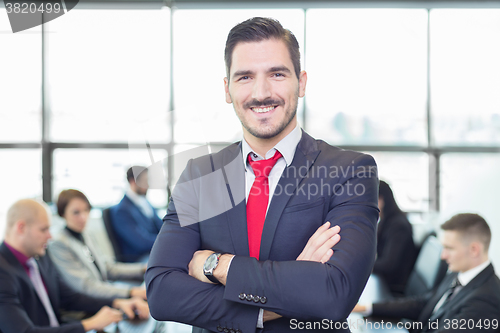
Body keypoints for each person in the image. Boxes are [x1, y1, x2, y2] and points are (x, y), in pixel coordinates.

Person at [145, 17, 379, 333]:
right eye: (244, 77)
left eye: (277, 74)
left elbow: (334, 295)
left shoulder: (349, 170)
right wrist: (291, 288)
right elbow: (162, 293)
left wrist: (215, 266)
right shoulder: (199, 174)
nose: (261, 92)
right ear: (227, 90)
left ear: (302, 82)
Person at [0, 199, 150, 333]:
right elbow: (24, 331)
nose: (50, 236)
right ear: (21, 228)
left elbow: (69, 297)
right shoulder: (3, 271)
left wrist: (118, 303)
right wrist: (89, 324)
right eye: (43, 229)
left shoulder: (39, 256)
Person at [353, 213, 500, 333]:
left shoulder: (485, 301)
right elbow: (424, 303)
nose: (443, 256)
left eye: (449, 248)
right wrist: (367, 307)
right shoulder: (459, 274)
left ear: (474, 250)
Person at [48, 189, 147, 300]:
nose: (83, 217)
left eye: (86, 210)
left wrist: (142, 269)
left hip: (103, 294)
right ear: (62, 213)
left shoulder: (86, 235)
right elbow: (86, 286)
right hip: (87, 305)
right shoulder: (59, 243)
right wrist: (131, 292)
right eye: (76, 212)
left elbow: (106, 268)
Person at [110, 166, 163, 262]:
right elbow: (141, 243)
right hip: (138, 258)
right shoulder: (122, 210)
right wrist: (167, 241)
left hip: (152, 251)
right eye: (145, 181)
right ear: (133, 181)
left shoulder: (145, 202)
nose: (148, 185)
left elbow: (161, 225)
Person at [373, 180, 417, 295]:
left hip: (392, 286)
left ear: (381, 200)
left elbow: (388, 265)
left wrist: (360, 266)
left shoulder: (398, 226)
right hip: (386, 281)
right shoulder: (386, 221)